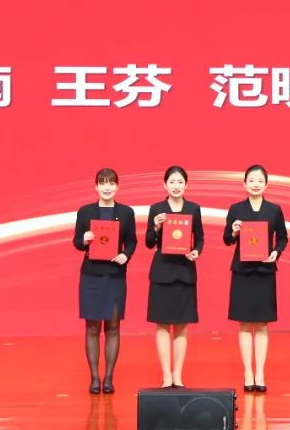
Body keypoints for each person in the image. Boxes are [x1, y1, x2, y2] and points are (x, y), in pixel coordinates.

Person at [72, 168, 138, 394]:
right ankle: (94, 378)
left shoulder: (126, 212)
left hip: (115, 275)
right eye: (102, 183)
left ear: (117, 187)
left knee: (113, 326)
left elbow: (132, 242)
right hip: (91, 275)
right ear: (96, 187)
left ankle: (108, 377)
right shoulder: (85, 212)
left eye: (111, 183)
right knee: (92, 327)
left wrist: (126, 255)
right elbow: (76, 242)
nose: (107, 187)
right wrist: (84, 239)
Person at [224, 164, 289, 393]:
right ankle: (247, 372)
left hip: (264, 271)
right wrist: (234, 231)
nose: (255, 184)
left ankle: (260, 371)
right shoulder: (236, 209)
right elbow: (227, 239)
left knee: (262, 323)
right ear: (244, 184)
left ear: (266, 184)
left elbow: (282, 238)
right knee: (244, 323)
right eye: (251, 180)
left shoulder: (274, 210)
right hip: (242, 271)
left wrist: (276, 252)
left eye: (260, 180)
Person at [145, 166, 204, 388]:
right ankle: (166, 375)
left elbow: (200, 238)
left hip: (185, 272)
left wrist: (196, 251)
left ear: (186, 185)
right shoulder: (157, 209)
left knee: (181, 325)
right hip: (162, 272)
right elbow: (149, 242)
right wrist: (156, 227)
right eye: (172, 182)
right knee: (161, 325)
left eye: (180, 182)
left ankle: (178, 374)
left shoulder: (193, 208)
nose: (176, 186)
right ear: (165, 185)